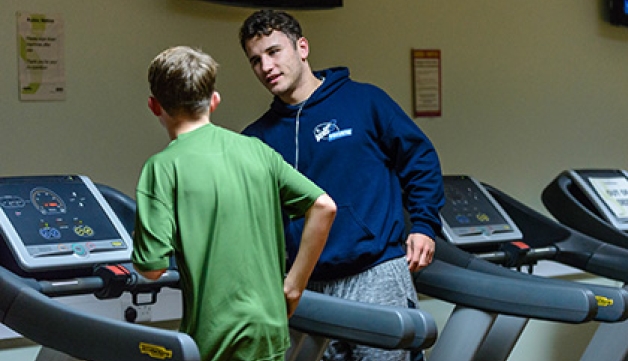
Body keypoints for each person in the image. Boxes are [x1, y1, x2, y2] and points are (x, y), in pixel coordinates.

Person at [239, 10, 445, 361]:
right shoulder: (257, 139)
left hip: (375, 273)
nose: (266, 66)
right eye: (256, 60)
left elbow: (419, 160)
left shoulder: (364, 102)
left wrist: (425, 225)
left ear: (302, 47)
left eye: (274, 52)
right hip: (305, 286)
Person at [131, 46, 337, 361]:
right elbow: (324, 206)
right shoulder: (256, 150)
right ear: (214, 101)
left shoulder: (161, 168)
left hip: (216, 335)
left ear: (153, 106)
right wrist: (294, 285)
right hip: (269, 328)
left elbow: (153, 269)